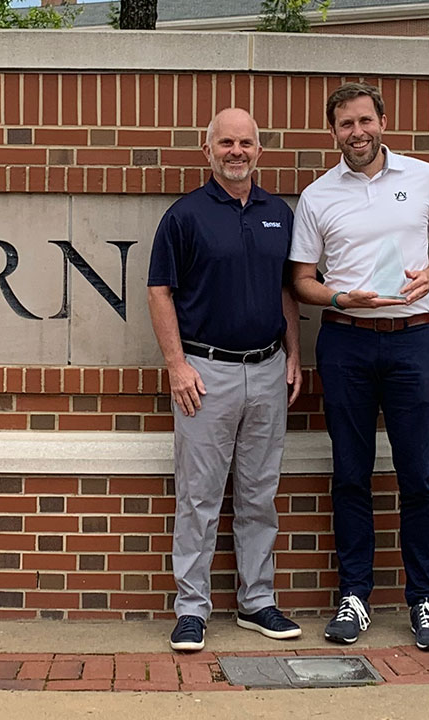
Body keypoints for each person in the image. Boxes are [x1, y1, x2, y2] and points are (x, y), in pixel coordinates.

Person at [289, 82, 429, 651]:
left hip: (412, 340)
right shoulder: (317, 196)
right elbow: (302, 281)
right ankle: (354, 595)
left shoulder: (423, 177)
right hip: (347, 343)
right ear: (332, 131)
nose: (356, 132)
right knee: (350, 473)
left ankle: (424, 601)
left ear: (383, 120)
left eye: (365, 120)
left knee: (419, 475)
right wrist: (339, 299)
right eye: (344, 124)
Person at [147, 107, 303, 653]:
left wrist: (293, 355)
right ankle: (191, 609)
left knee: (260, 495)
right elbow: (160, 291)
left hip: (267, 371)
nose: (237, 152)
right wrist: (176, 365)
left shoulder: (278, 213)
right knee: (199, 497)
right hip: (204, 373)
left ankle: (257, 601)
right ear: (207, 150)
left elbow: (287, 290)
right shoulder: (185, 216)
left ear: (260, 150)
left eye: (247, 143)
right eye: (226, 143)